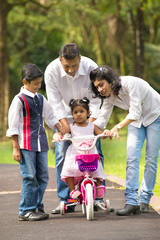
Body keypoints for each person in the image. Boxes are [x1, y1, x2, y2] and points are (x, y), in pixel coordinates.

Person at [90, 65, 160, 216]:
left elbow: (134, 112)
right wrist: (85, 129)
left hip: (156, 116)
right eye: (97, 87)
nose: (100, 89)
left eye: (101, 84)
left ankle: (145, 200)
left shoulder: (131, 83)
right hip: (136, 121)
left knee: (151, 159)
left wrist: (116, 127)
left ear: (109, 80)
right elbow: (102, 119)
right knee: (131, 158)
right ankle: (132, 202)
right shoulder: (109, 96)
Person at [44, 43, 105, 214]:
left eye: (74, 66)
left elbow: (95, 100)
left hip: (88, 115)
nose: (70, 70)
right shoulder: (51, 71)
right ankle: (67, 199)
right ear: (59, 60)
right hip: (64, 117)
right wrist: (65, 127)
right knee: (62, 155)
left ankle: (98, 198)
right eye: (66, 66)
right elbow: (55, 102)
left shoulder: (91, 67)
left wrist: (89, 125)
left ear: (80, 59)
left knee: (95, 153)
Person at [6, 63, 64, 221]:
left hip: (41, 143)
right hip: (25, 145)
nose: (38, 86)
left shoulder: (40, 98)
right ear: (25, 82)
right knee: (30, 176)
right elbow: (13, 126)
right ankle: (26, 209)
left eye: (40, 83)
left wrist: (60, 128)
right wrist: (15, 148)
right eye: (35, 84)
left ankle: (36, 206)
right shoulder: (19, 100)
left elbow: (50, 117)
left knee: (43, 176)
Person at [54, 97, 106, 200]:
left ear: (88, 113)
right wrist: (58, 135)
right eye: (75, 112)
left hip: (90, 152)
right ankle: (72, 190)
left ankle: (99, 185)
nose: (78, 114)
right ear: (72, 114)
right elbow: (62, 132)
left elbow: (102, 135)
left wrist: (106, 133)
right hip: (75, 153)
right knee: (68, 169)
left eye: (81, 111)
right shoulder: (71, 127)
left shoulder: (92, 126)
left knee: (97, 168)